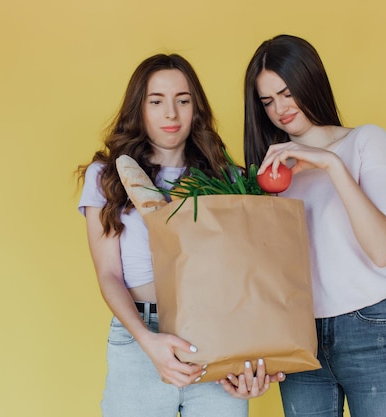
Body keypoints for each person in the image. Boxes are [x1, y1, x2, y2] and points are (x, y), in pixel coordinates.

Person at [77, 53, 276, 416]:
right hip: (139, 336)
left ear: (195, 108)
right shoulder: (107, 176)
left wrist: (251, 360)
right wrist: (148, 342)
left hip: (214, 334)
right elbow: (108, 274)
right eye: (156, 102)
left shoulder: (229, 179)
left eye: (183, 101)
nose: (171, 113)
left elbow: (243, 280)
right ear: (139, 108)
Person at [241, 34, 386, 417]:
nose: (280, 109)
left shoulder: (365, 142)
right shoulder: (271, 175)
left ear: (310, 81)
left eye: (287, 93)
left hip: (373, 325)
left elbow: (383, 250)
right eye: (268, 101)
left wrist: (331, 164)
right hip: (301, 337)